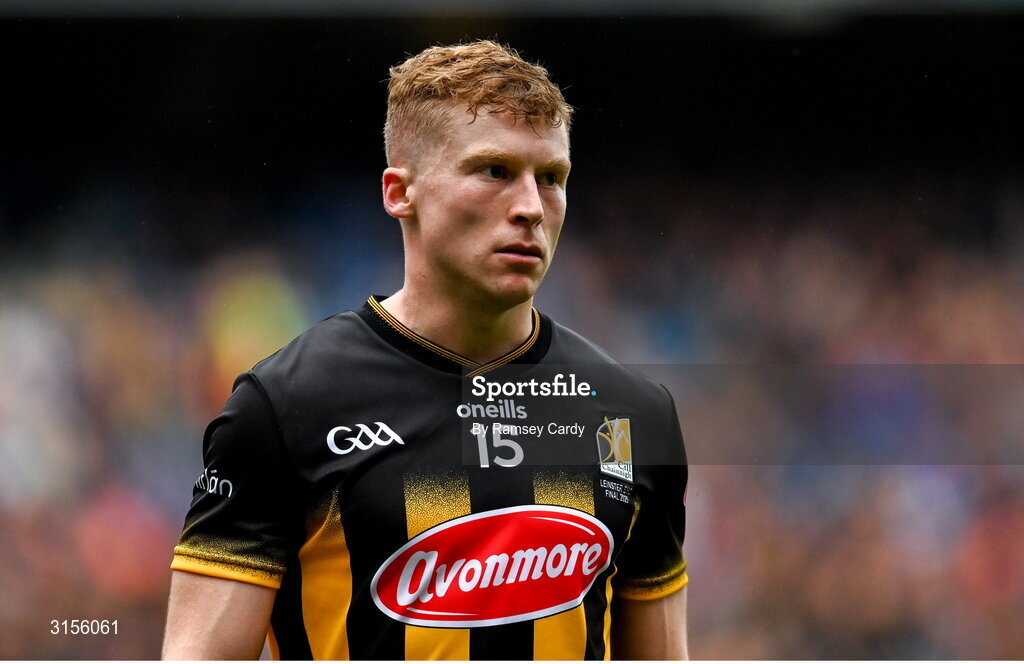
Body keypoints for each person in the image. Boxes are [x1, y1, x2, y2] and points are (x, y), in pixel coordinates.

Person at [162, 40, 688, 661]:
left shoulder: (634, 414)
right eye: (494, 171)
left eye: (552, 178)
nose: (529, 208)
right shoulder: (285, 407)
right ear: (398, 192)